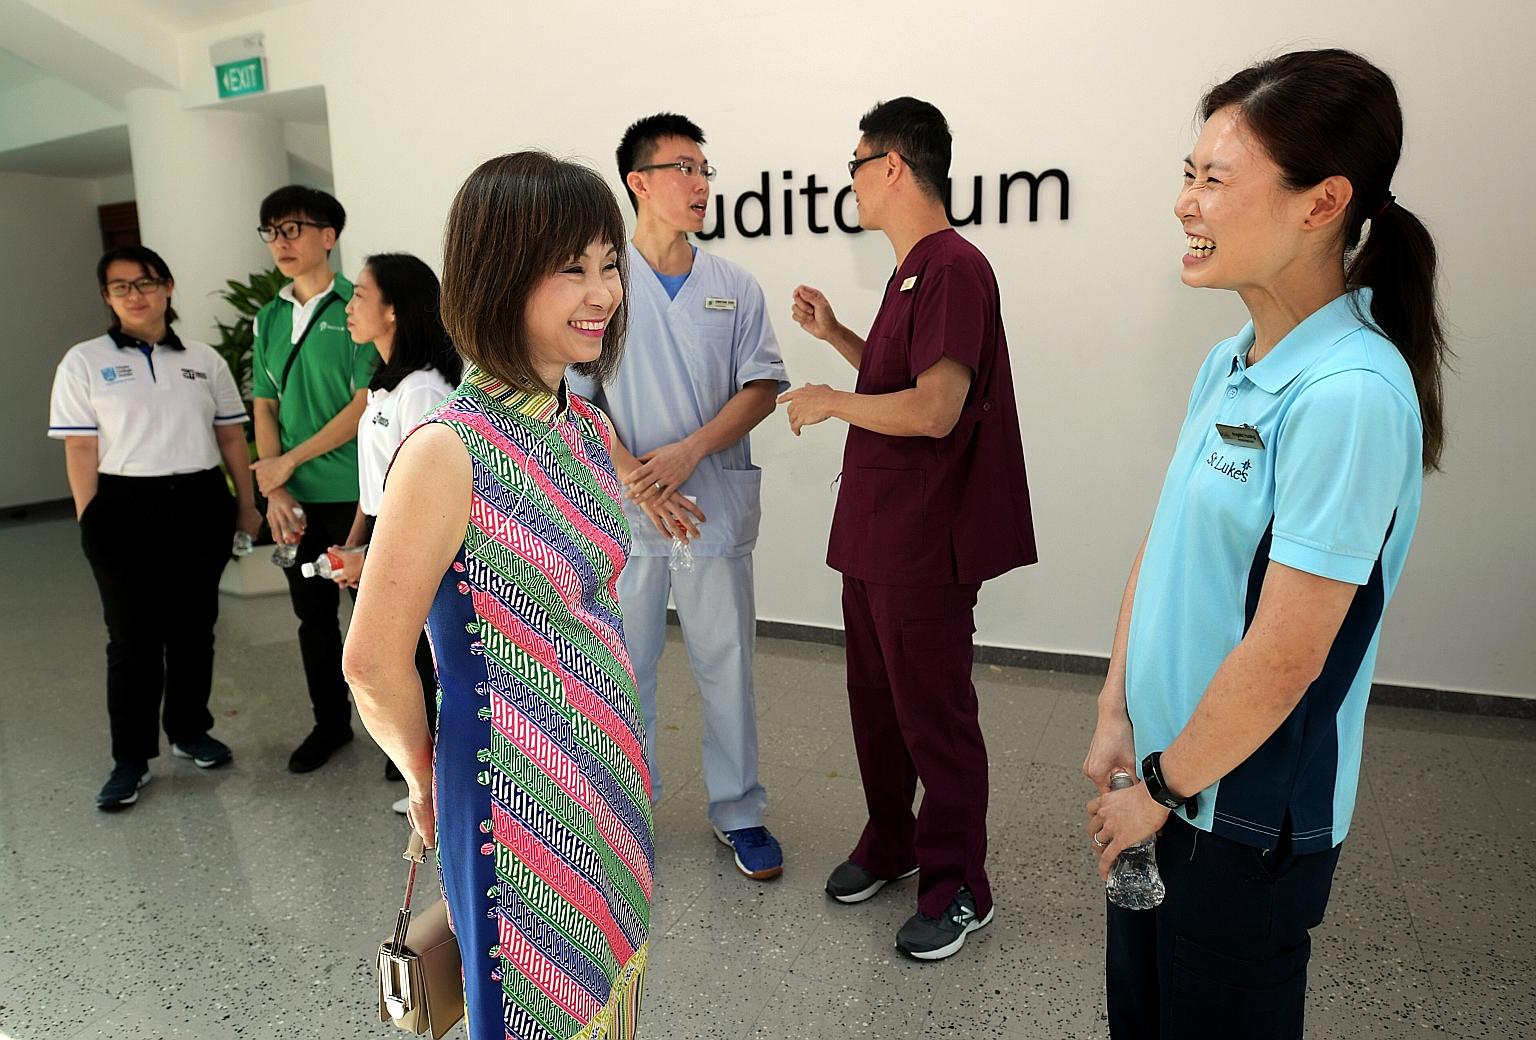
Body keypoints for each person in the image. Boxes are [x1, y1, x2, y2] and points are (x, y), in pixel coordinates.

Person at [1081, 49, 1449, 1039]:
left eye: (1213, 179)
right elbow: (1165, 546)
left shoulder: (1352, 394)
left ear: (1320, 202)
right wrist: (1119, 710)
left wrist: (1160, 788)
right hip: (1162, 787)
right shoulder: (1232, 361)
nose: (1183, 203)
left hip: (1237, 823)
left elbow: (1289, 651)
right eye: (1186, 174)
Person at [344, 152, 653, 1040]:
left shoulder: (585, 422)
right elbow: (369, 659)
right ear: (500, 274)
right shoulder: (449, 450)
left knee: (608, 996)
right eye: (571, 269)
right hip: (515, 799)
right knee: (533, 1013)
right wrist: (425, 778)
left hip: (610, 772)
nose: (602, 293)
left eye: (608, 265)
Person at [783, 97, 1037, 960]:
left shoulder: (954, 266)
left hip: (924, 543)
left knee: (934, 717)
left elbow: (935, 410)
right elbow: (900, 375)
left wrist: (824, 401)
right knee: (876, 708)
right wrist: (838, 338)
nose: (848, 179)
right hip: (876, 535)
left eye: (855, 162)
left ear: (893, 165)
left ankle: (960, 884)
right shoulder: (910, 273)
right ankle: (891, 843)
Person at [567, 112, 788, 881]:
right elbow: (574, 394)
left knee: (727, 662)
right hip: (625, 512)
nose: (700, 184)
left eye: (705, 170)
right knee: (626, 666)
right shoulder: (601, 282)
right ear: (639, 181)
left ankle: (741, 811)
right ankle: (626, 810)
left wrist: (692, 449)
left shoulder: (733, 285)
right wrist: (634, 473)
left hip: (711, 505)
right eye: (684, 168)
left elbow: (763, 385)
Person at [48, 245, 262, 810]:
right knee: (132, 639)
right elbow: (79, 446)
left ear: (167, 286)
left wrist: (246, 505)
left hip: (198, 499)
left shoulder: (203, 358)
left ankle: (190, 730)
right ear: (107, 297)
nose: (135, 295)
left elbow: (232, 438)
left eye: (144, 282)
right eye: (120, 287)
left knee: (194, 628)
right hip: (121, 504)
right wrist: (90, 516)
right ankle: (131, 758)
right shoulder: (84, 361)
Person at [248, 185, 379, 773]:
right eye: (272, 231)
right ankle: (331, 724)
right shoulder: (269, 316)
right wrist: (274, 486)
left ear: (329, 236)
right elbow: (264, 405)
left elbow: (360, 405)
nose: (282, 242)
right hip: (295, 500)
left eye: (293, 228)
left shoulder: (359, 303)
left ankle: (403, 734)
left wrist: (287, 463)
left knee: (377, 615)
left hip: (354, 492)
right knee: (312, 619)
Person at [326, 253, 461, 814]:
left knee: (419, 662)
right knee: (394, 656)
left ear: (394, 310)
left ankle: (436, 785)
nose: (350, 306)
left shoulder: (423, 392)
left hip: (411, 537)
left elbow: (421, 500)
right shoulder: (385, 384)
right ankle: (419, 775)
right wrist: (356, 540)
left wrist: (374, 557)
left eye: (359, 295)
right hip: (382, 531)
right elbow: (376, 483)